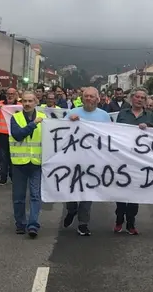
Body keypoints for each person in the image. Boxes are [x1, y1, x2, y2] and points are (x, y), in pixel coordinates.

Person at [64, 87, 112, 236]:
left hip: (93, 161)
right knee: (71, 189)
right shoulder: (72, 113)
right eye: (86, 96)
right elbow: (61, 133)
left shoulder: (104, 116)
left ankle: (83, 223)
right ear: (82, 98)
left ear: (98, 99)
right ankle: (71, 210)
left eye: (92, 96)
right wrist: (69, 122)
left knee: (87, 192)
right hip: (74, 159)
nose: (89, 99)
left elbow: (110, 136)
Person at [114, 87, 153, 235]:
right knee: (120, 189)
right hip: (123, 158)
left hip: (140, 160)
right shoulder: (123, 113)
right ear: (131, 98)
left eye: (142, 98)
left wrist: (148, 127)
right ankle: (119, 219)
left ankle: (131, 223)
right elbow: (115, 132)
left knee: (135, 192)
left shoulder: (150, 115)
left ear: (145, 101)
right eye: (137, 97)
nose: (139, 100)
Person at [9, 91, 46, 238]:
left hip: (36, 162)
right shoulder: (15, 118)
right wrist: (33, 124)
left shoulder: (44, 118)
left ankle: (33, 225)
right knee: (19, 197)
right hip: (19, 163)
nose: (27, 104)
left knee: (35, 195)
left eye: (30, 101)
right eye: (24, 101)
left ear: (36, 102)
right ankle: (20, 224)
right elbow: (18, 135)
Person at [0, 88, 19, 185]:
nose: (10, 95)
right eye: (8, 94)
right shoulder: (0, 104)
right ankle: (3, 178)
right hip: (3, 134)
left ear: (16, 95)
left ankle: (13, 177)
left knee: (13, 157)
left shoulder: (20, 105)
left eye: (12, 94)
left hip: (15, 134)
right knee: (3, 157)